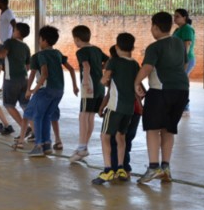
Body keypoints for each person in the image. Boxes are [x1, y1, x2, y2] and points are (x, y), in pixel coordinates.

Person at [134, 12, 189, 184]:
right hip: (182, 90)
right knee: (168, 129)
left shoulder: (155, 47)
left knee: (152, 129)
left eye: (152, 26)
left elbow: (147, 67)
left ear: (156, 27)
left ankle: (153, 167)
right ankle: (166, 168)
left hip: (161, 91)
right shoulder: (179, 43)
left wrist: (136, 82)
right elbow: (185, 64)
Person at [92, 33, 140, 185]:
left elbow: (104, 80)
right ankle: (120, 167)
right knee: (121, 137)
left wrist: (107, 82)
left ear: (117, 47)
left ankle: (108, 170)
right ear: (132, 47)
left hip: (114, 107)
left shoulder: (114, 61)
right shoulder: (135, 64)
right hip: (129, 108)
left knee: (105, 136)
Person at [24, 26, 69, 157]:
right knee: (47, 116)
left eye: (39, 39)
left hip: (46, 90)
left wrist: (32, 90)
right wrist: (75, 86)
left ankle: (38, 146)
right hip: (59, 91)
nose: (38, 41)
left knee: (37, 116)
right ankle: (47, 145)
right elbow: (71, 69)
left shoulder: (41, 55)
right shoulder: (58, 53)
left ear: (43, 40)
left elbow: (44, 74)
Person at [69, 25, 109, 163]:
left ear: (77, 39)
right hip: (100, 86)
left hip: (90, 86)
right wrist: (100, 68)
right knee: (90, 116)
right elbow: (109, 61)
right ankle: (83, 146)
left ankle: (82, 146)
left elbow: (86, 66)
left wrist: (85, 82)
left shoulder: (81, 52)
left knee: (83, 116)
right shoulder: (97, 49)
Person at [0, 22, 31, 145]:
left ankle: (25, 128)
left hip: (11, 79)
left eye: (14, 30)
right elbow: (28, 66)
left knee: (9, 105)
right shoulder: (26, 47)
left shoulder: (10, 42)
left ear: (17, 32)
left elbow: (3, 55)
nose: (12, 32)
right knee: (26, 107)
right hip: (24, 79)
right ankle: (36, 132)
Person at [173, 8, 196, 116]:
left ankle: (185, 107)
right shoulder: (177, 30)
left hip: (186, 59)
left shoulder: (187, 29)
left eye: (177, 16)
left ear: (184, 17)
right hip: (179, 59)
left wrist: (183, 60)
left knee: (182, 83)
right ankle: (179, 105)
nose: (175, 18)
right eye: (174, 16)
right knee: (179, 82)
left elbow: (187, 45)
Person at [0, 0, 17, 80]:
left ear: (2, 3)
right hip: (2, 43)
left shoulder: (8, 13)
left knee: (2, 65)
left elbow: (14, 25)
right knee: (2, 66)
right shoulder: (3, 12)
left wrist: (12, 39)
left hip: (6, 44)